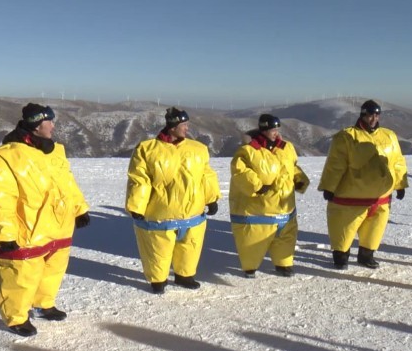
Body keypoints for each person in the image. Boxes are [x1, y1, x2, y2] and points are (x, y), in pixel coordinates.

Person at [0, 103, 90, 337]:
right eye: (49, 121)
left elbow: (67, 184)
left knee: (52, 269)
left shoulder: (55, 152)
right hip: (28, 226)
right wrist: (4, 232)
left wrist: (79, 209)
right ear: (37, 125)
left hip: (59, 224)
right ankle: (16, 317)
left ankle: (43, 304)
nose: (53, 126)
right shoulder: (4, 157)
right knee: (20, 273)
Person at [125, 107, 220, 294]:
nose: (187, 128)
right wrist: (137, 205)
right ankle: (158, 280)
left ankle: (185, 275)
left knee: (190, 247)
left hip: (193, 211)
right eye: (183, 125)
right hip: (160, 212)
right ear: (172, 126)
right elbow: (140, 179)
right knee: (158, 248)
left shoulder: (198, 149)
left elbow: (206, 175)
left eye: (187, 124)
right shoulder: (147, 149)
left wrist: (211, 198)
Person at [318, 100, 408, 269]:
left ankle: (366, 255)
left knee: (374, 229)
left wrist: (400, 183)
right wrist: (329, 186)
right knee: (344, 228)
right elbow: (336, 164)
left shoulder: (389, 136)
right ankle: (341, 256)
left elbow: (397, 162)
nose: (373, 118)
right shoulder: (346, 136)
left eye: (376, 114)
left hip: (380, 198)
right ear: (362, 115)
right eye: (370, 114)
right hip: (350, 197)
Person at [229, 114, 309, 277]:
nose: (276, 132)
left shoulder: (287, 148)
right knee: (253, 238)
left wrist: (299, 179)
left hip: (284, 208)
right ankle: (250, 266)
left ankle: (284, 264)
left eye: (277, 129)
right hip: (257, 209)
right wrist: (256, 186)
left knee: (285, 237)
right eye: (272, 129)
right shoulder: (248, 151)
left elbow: (291, 167)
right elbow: (240, 171)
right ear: (264, 130)